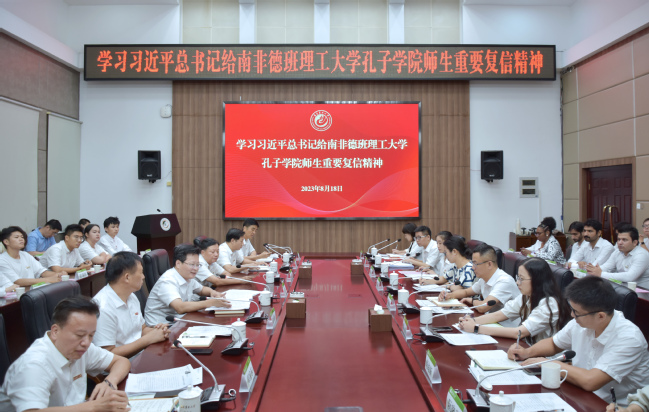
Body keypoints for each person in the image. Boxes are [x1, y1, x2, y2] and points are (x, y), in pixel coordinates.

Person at [508, 276, 649, 406]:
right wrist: (527, 352)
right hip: (578, 394)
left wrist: (549, 363)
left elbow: (590, 381)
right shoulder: (582, 321)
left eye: (576, 312)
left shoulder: (629, 338)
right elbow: (553, 343)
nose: (572, 315)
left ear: (600, 316)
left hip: (609, 406)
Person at [0, 296, 131, 411]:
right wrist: (94, 407)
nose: (86, 342)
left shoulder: (81, 347)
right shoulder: (34, 365)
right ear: (55, 331)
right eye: (80, 335)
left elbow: (121, 361)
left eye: (91, 335)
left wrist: (109, 382)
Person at [458, 257, 570, 343]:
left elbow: (519, 333)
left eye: (522, 279)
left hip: (546, 359)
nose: (517, 282)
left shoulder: (549, 304)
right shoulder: (526, 296)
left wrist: (476, 328)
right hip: (527, 348)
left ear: (537, 280)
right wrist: (472, 321)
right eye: (518, 277)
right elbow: (500, 315)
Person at [93, 251, 169, 358]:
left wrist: (157, 332)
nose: (143, 277)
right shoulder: (103, 307)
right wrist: (148, 339)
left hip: (140, 354)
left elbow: (141, 329)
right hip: (121, 363)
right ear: (127, 277)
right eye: (141, 273)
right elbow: (106, 355)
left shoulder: (131, 296)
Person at [145, 244, 231, 326]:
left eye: (198, 265)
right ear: (178, 264)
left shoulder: (186, 276)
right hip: (161, 326)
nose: (196, 268)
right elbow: (180, 307)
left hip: (180, 319)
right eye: (192, 264)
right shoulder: (167, 281)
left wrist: (213, 292)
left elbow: (201, 290)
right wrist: (210, 302)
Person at [438, 243, 521, 326]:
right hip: (491, 322)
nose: (472, 267)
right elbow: (466, 292)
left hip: (506, 328)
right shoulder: (483, 279)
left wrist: (472, 301)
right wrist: (449, 295)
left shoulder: (504, 281)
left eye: (475, 264)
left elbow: (483, 307)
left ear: (489, 264)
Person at [0, 226, 60, 291]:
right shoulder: (2, 260)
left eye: (22, 237)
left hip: (33, 290)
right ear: (6, 242)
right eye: (16, 237)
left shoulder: (25, 255)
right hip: (16, 293)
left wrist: (57, 274)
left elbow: (42, 272)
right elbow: (17, 281)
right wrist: (46, 280)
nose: (21, 239)